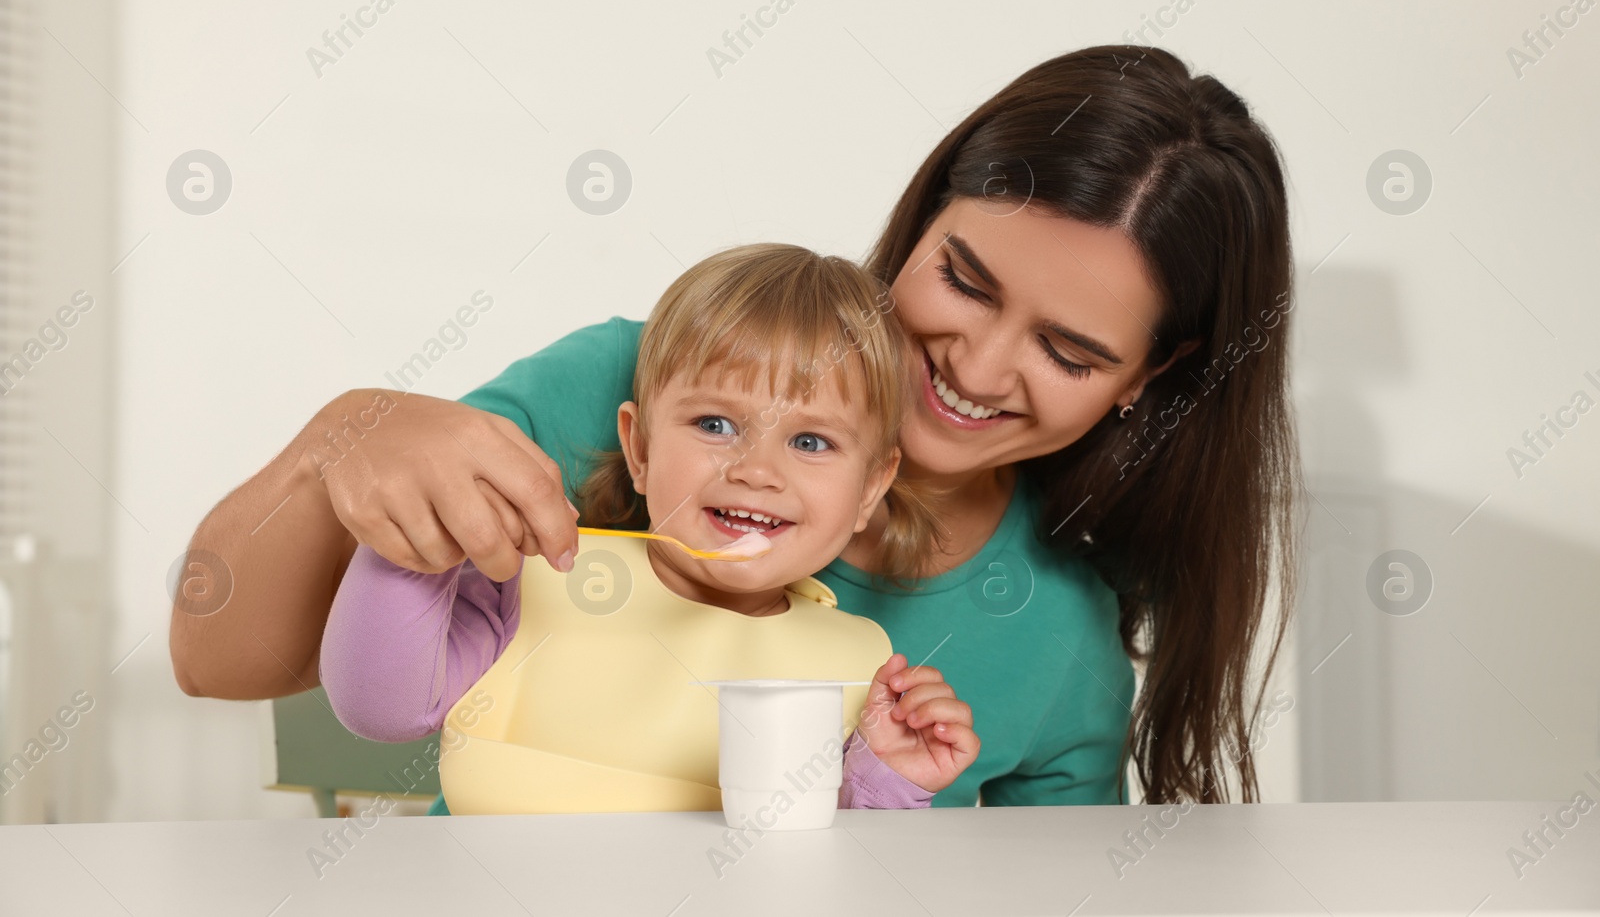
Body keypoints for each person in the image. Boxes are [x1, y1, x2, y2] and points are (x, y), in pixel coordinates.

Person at [172, 44, 1298, 805]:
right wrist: (347, 434)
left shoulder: (1056, 642)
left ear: (1153, 375)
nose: (976, 363)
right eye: (963, 276)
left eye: (1069, 351)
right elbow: (212, 656)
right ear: (923, 216)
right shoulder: (642, 385)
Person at [317, 244, 979, 813]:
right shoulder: (534, 581)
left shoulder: (861, 667)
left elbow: (830, 858)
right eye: (716, 425)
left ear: (870, 488)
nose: (756, 470)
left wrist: (884, 776)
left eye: (809, 440)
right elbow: (380, 706)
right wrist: (411, 541)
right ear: (639, 449)